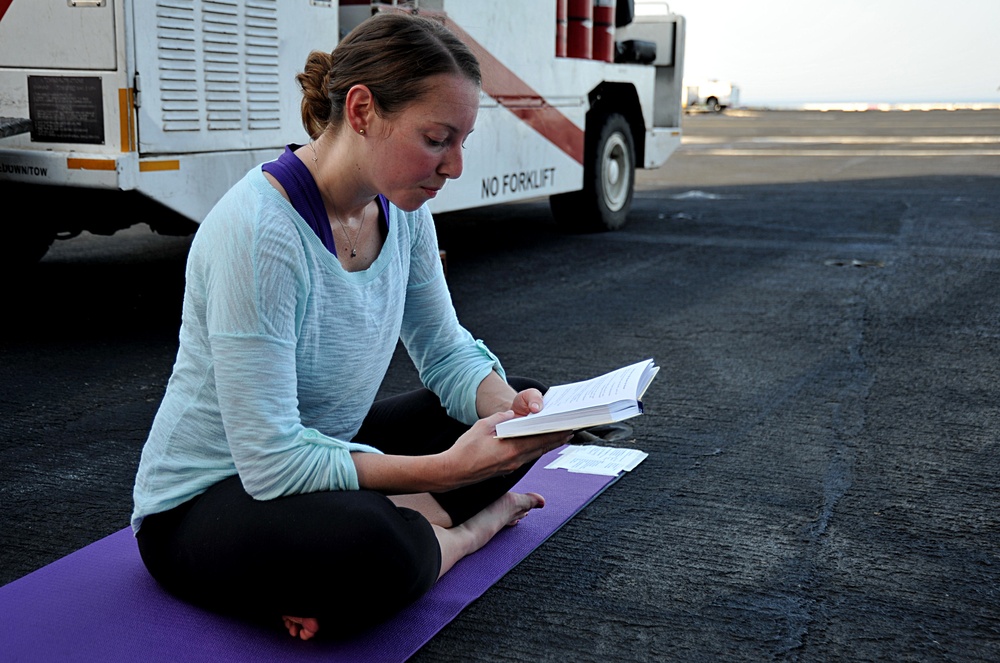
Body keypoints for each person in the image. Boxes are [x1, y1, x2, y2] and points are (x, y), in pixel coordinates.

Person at [131, 12, 571, 641]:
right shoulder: (261, 233)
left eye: (463, 141)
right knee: (371, 547)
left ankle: (405, 533)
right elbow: (273, 464)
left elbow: (444, 352)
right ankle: (460, 536)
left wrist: (512, 409)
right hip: (211, 498)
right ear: (362, 110)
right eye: (438, 138)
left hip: (322, 448)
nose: (455, 167)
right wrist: (448, 472)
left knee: (520, 406)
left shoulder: (405, 210)